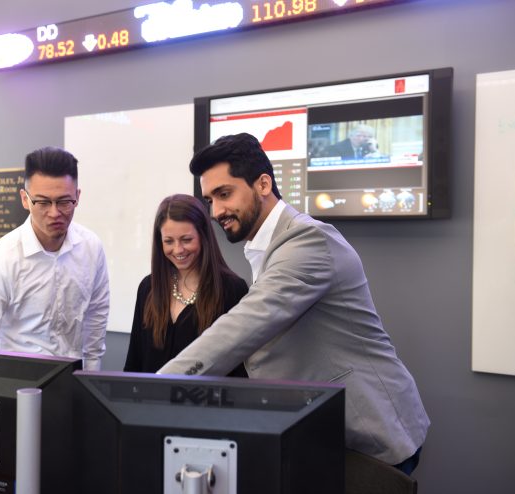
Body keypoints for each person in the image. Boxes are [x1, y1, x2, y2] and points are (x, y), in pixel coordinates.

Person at [158, 133, 429, 474]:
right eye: (210, 200)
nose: (217, 211)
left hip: (371, 434)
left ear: (263, 183)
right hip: (321, 434)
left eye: (224, 194)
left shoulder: (308, 240)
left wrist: (159, 387)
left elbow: (246, 324)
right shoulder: (265, 247)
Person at [0, 147, 109, 371]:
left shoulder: (91, 248)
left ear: (77, 197)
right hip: (15, 384)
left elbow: (96, 318)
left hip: (74, 381)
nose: (55, 213)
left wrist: (92, 377)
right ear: (25, 199)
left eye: (64, 201)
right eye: (43, 202)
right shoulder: (0, 261)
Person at [124, 194, 248, 376]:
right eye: (168, 241)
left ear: (203, 236)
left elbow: (238, 370)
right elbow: (134, 362)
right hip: (150, 403)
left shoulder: (232, 289)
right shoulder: (148, 287)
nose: (178, 250)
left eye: (186, 239)